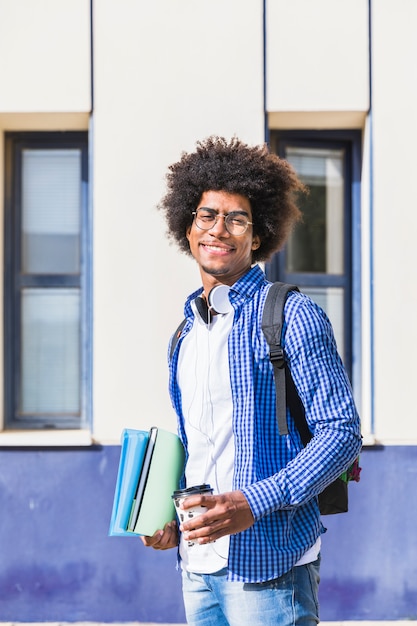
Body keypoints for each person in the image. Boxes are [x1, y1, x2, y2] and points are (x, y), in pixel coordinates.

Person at [142, 135, 362, 626]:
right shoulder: (186, 331)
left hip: (270, 567)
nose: (218, 229)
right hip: (197, 566)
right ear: (188, 225)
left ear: (257, 235)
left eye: (236, 218)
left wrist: (250, 503)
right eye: (206, 215)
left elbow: (342, 435)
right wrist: (164, 513)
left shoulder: (292, 316)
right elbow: (195, 441)